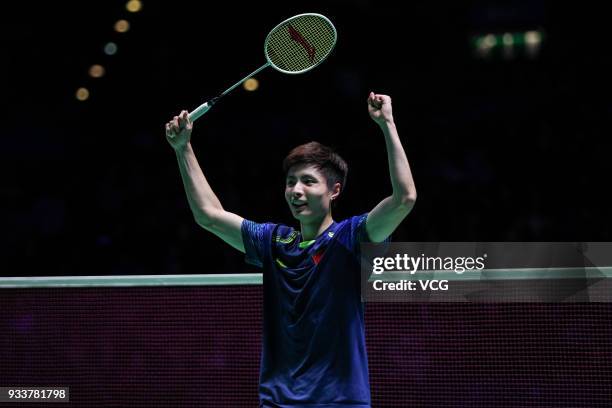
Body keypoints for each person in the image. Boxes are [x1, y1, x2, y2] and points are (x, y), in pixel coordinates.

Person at [165, 92, 416, 408]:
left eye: (308, 182)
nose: (296, 190)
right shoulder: (274, 242)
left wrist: (387, 124)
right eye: (291, 182)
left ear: (334, 190)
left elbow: (404, 199)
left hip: (340, 400)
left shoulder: (352, 236)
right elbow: (209, 216)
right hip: (278, 400)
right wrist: (182, 148)